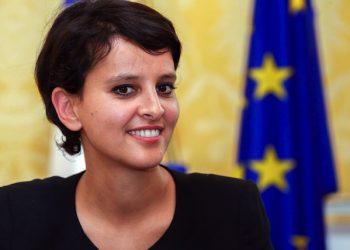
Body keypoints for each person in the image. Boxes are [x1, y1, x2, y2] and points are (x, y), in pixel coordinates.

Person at [0, 0, 273, 249]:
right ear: (68, 108)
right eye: (124, 89)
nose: (155, 108)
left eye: (164, 87)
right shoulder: (14, 215)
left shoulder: (233, 208)